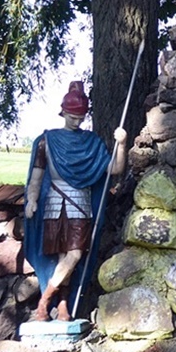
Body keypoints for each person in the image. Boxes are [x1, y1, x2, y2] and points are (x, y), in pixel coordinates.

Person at [23, 82, 127, 321]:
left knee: (75, 255)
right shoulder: (47, 141)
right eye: (72, 117)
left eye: (80, 118)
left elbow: (115, 168)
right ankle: (63, 306)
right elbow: (36, 176)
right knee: (63, 257)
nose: (76, 122)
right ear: (63, 112)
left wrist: (121, 144)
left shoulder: (92, 143)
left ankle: (44, 301)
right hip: (54, 205)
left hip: (81, 204)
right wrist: (31, 199)